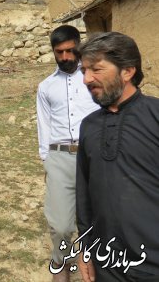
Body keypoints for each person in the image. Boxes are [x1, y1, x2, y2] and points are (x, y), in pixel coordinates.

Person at [76, 32, 159, 282]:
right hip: (108, 264)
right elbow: (84, 194)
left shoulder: (155, 115)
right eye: (84, 70)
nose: (86, 79)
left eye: (96, 69)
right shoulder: (88, 126)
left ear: (127, 71)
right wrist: (85, 248)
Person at [36, 25, 100, 281]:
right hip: (59, 157)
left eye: (70, 50)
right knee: (61, 224)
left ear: (78, 46)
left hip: (93, 155)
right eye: (59, 52)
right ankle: (61, 262)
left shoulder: (93, 80)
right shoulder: (46, 87)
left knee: (100, 216)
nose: (65, 57)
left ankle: (100, 263)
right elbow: (44, 126)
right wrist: (46, 161)